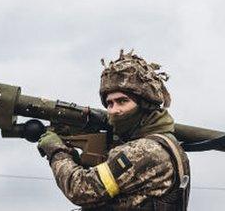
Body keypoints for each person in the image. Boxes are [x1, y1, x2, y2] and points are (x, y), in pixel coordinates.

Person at [37, 50, 190, 210]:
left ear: (145, 105)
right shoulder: (164, 143)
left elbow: (81, 190)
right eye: (109, 103)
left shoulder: (145, 150)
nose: (114, 110)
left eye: (122, 101)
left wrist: (57, 152)